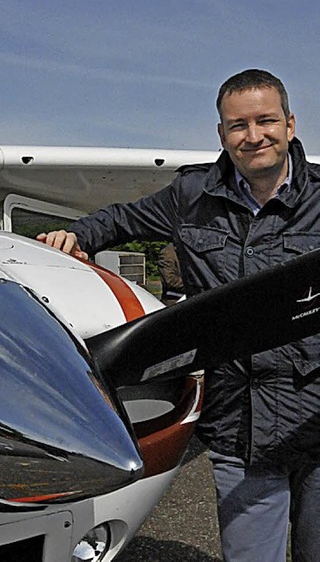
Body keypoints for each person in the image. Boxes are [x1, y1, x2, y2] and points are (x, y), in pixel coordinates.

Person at [37, 69, 320, 562]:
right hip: (240, 426)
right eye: (238, 125)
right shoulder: (189, 195)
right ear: (222, 134)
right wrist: (74, 235)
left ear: (291, 125)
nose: (254, 136)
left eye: (266, 121)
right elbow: (119, 219)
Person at [157, 242, 184, 306]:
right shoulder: (168, 253)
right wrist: (192, 284)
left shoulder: (190, 250)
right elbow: (169, 280)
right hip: (175, 302)